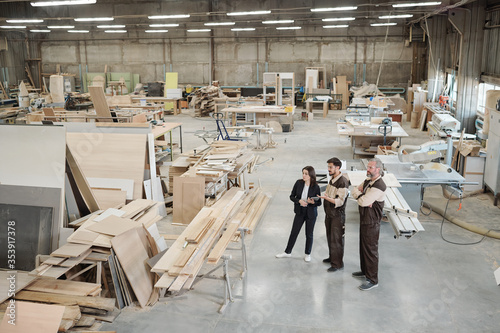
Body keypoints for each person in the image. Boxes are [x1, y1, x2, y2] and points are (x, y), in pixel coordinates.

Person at [351, 158, 386, 291]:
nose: (368, 169)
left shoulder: (379, 186)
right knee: (363, 247)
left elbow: (363, 201)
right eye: (368, 167)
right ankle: (365, 271)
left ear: (378, 169)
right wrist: (361, 195)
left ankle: (373, 279)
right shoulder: (368, 181)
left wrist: (362, 196)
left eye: (371, 167)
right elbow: (355, 191)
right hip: (365, 219)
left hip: (372, 222)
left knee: (371, 250)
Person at [276, 166, 322, 262]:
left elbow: (319, 203)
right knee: (294, 232)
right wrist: (299, 201)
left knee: (309, 234)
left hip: (311, 213)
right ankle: (287, 252)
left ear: (311, 175)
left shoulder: (316, 187)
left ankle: (308, 253)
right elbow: (292, 196)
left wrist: (313, 202)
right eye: (303, 173)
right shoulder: (298, 183)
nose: (304, 175)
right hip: (300, 212)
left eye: (306, 174)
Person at [318, 157, 349, 272]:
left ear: (338, 167)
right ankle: (332, 258)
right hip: (329, 214)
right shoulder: (332, 179)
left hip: (337, 216)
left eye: (330, 167)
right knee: (330, 237)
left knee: (337, 240)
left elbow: (339, 201)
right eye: (328, 167)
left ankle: (337, 264)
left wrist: (326, 198)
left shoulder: (342, 182)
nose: (329, 169)